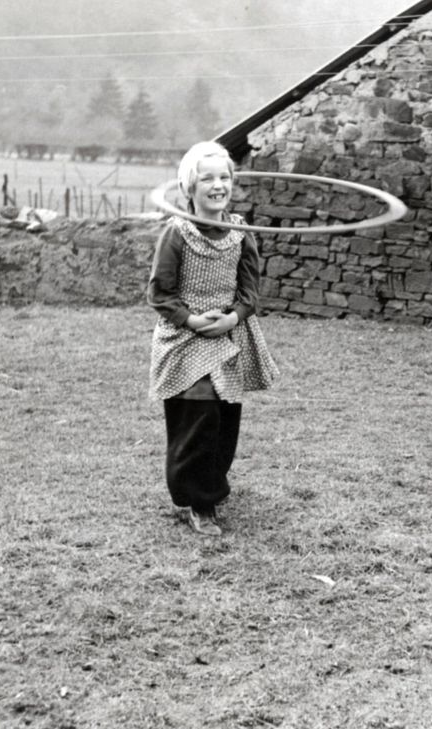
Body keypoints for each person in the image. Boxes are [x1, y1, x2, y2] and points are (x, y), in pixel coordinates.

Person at [147, 141, 279, 537]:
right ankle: (197, 502)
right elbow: (159, 294)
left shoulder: (240, 233)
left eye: (224, 177)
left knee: (223, 421)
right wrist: (192, 319)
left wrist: (233, 318)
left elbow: (251, 292)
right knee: (197, 418)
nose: (217, 185)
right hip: (184, 338)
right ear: (189, 187)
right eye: (207, 179)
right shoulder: (176, 233)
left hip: (228, 335)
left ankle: (212, 487)